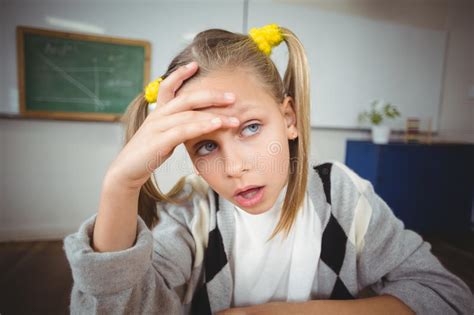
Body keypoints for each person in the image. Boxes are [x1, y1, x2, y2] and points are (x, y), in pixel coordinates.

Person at [63, 24, 473, 314]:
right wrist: (120, 185)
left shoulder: (343, 197)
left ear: (289, 118)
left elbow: (447, 297)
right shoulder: (192, 213)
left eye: (251, 128)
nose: (236, 166)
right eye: (207, 145)